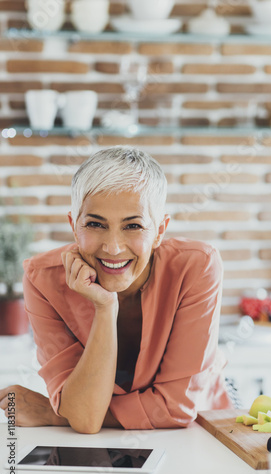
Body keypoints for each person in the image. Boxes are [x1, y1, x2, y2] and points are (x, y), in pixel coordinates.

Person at [0, 146, 232, 433]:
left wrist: (57, 413)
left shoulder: (197, 266)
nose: (113, 247)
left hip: (201, 435)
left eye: (132, 226)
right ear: (74, 226)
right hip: (98, 447)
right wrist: (105, 306)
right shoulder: (43, 280)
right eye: (95, 224)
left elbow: (175, 409)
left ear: (159, 230)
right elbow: (86, 421)